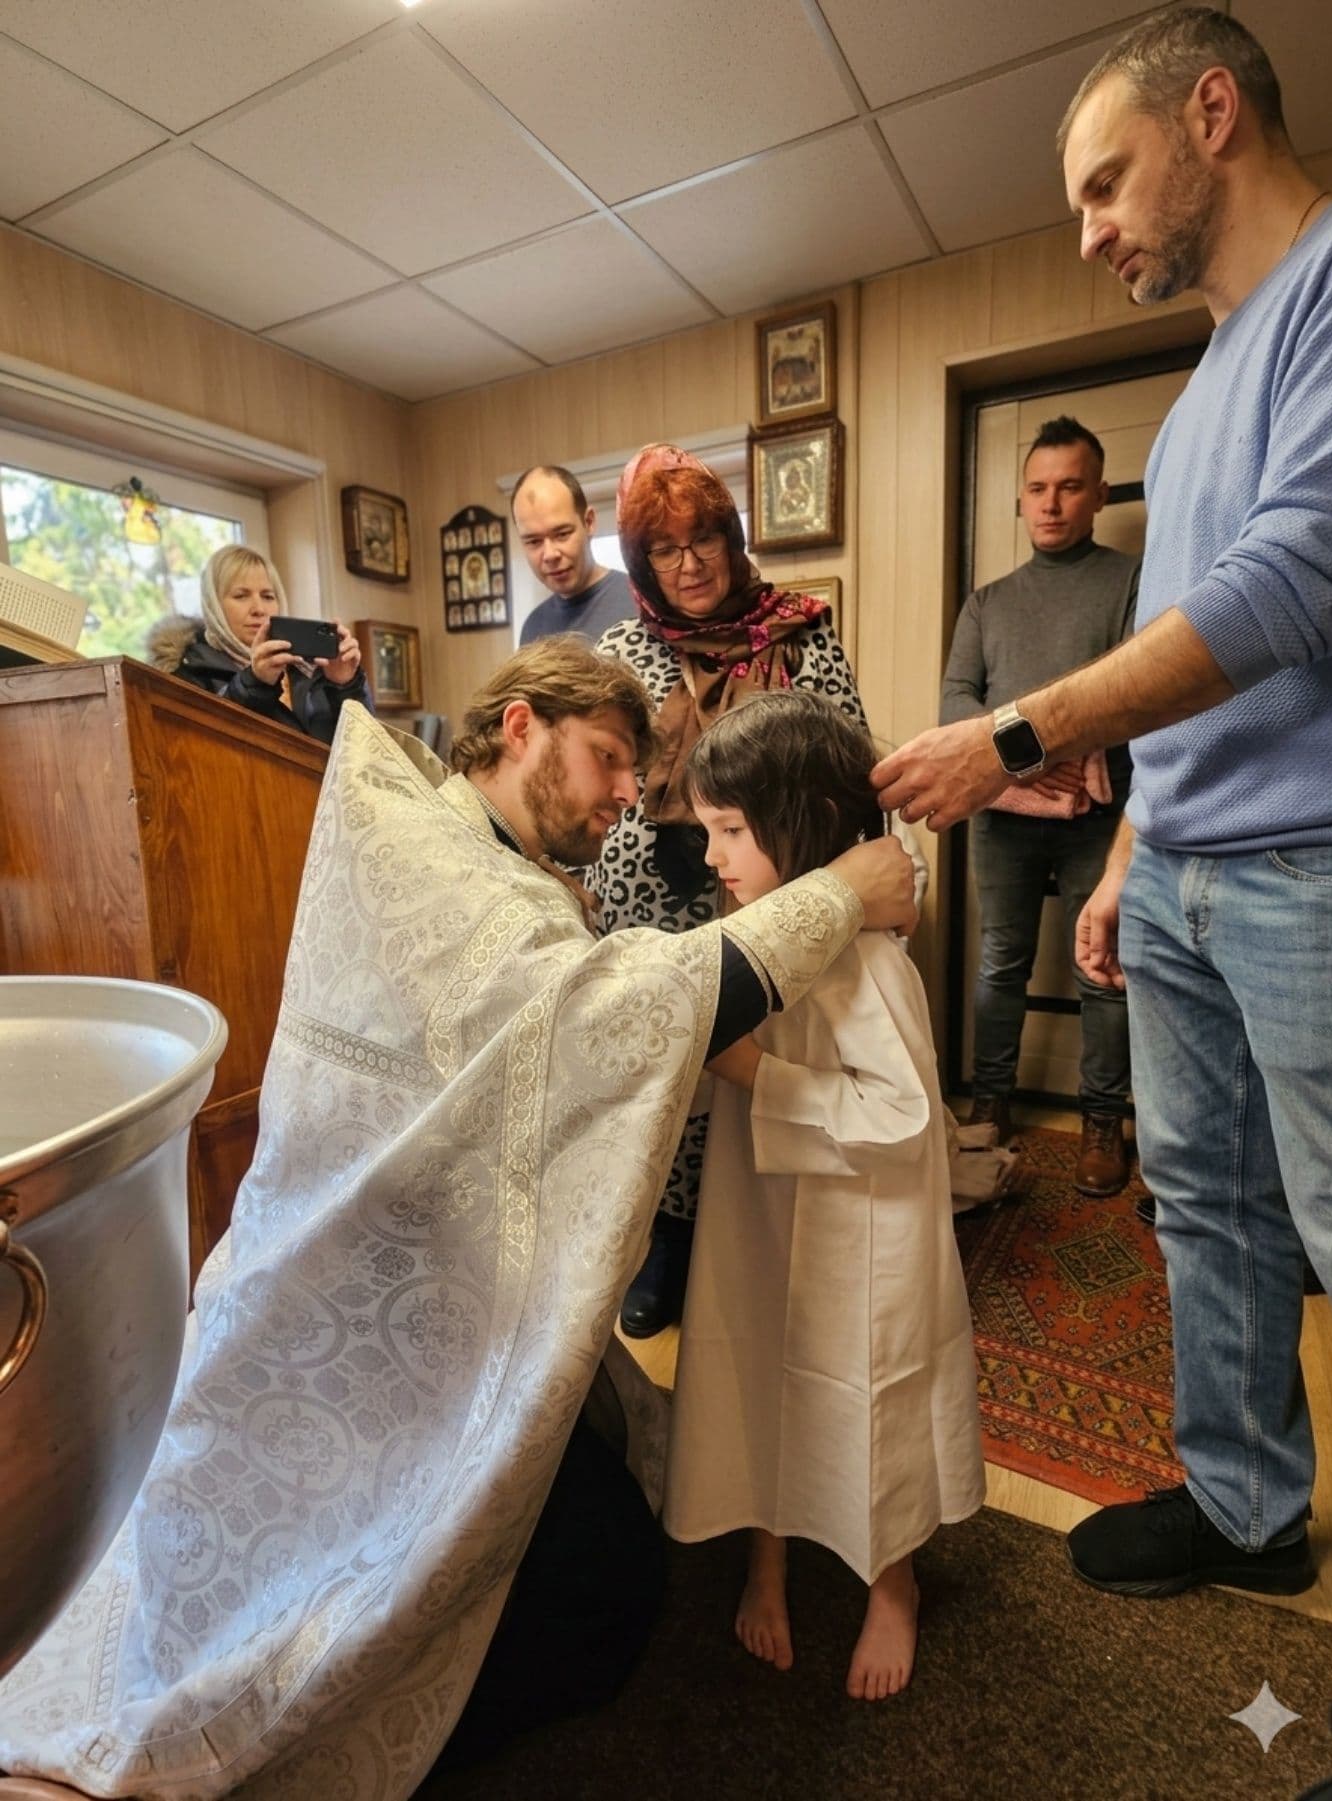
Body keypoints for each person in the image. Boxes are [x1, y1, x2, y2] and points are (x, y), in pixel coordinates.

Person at [0, 639, 917, 1798]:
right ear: (521, 725)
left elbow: (559, 1054)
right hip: (357, 1336)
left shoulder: (483, 857)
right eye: (608, 757)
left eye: (636, 770)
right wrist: (843, 894)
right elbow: (599, 1018)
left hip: (430, 1298)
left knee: (609, 1536)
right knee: (596, 1597)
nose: (628, 793)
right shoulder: (437, 857)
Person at [873, 4, 1332, 1612]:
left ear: (1209, 114)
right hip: (1181, 868)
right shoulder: (1206, 380)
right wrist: (1128, 858)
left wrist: (1013, 735)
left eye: (1101, 184)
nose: (1086, 231)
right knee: (1205, 1209)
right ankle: (1242, 1505)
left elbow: (1293, 586)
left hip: (1313, 869)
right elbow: (1195, 673)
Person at [665, 693, 985, 1702]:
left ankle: (893, 1577)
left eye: (729, 830)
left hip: (861, 1220)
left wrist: (754, 1072)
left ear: (800, 823)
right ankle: (766, 1551)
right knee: (757, 1359)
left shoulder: (867, 959)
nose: (711, 855)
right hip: (759, 1200)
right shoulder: (750, 937)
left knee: (869, 1383)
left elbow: (901, 1115)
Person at [593, 442, 900, 1338]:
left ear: (732, 541)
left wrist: (866, 886)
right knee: (669, 1064)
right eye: (664, 549)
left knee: (755, 1063)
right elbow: (600, 765)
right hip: (648, 896)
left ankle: (744, 1237)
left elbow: (848, 765)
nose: (689, 564)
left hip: (773, 897)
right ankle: (663, 1237)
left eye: (704, 541)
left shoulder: (801, 633)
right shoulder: (622, 648)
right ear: (642, 562)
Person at [940, 415, 1138, 1193]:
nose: (1050, 503)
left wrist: (1050, 752)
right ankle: (989, 1105)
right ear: (1020, 499)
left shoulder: (1131, 581)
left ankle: (1102, 1120)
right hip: (1001, 817)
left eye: (1069, 487)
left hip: (1102, 816)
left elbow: (1137, 689)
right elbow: (956, 701)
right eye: (1037, 488)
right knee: (1000, 963)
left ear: (1099, 495)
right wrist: (1022, 768)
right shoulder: (986, 602)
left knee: (1100, 968)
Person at [146, 543, 371, 743]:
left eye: (267, 596)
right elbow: (203, 747)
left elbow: (364, 752)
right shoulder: (188, 675)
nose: (259, 609)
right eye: (241, 596)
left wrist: (345, 686)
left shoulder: (308, 667)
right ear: (214, 606)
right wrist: (255, 682)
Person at [511, 464, 634, 645]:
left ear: (589, 522)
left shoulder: (642, 603)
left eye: (562, 534)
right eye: (534, 541)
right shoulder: (532, 628)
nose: (550, 555)